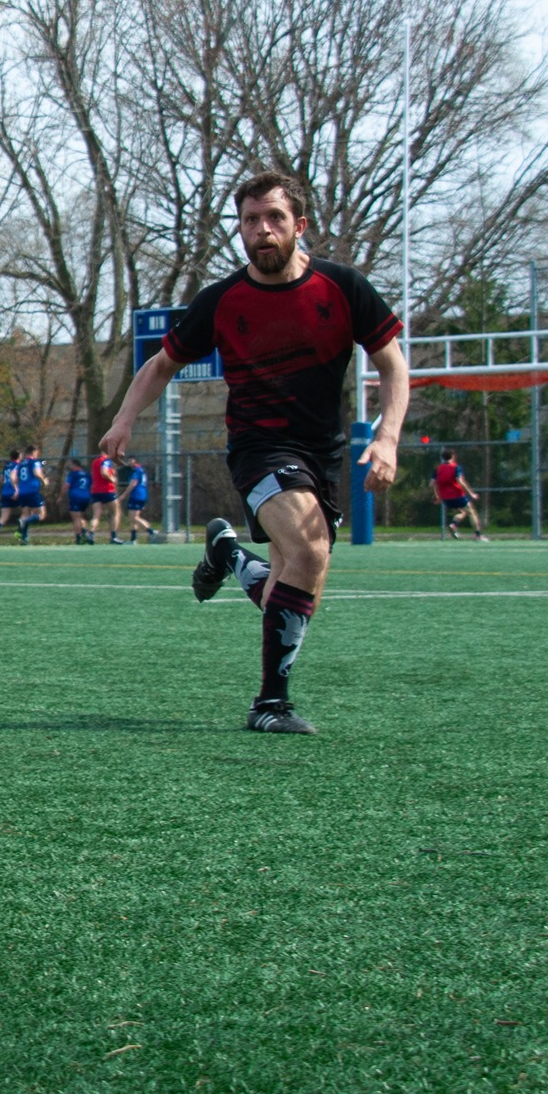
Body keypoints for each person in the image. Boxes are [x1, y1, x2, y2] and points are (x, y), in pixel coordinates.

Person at [102, 170, 407, 735]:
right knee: (309, 549)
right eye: (250, 220)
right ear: (239, 229)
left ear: (300, 226)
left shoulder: (343, 288)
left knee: (297, 574)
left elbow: (393, 364)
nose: (262, 230)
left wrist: (387, 437)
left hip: (325, 452)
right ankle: (271, 704)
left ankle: (229, 555)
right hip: (259, 448)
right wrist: (123, 419)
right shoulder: (221, 301)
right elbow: (161, 363)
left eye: (274, 218)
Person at [432, 449, 490, 539]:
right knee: (472, 512)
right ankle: (478, 535)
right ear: (452, 456)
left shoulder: (438, 469)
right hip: (458, 495)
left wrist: (438, 496)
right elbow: (460, 482)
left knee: (463, 512)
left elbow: (432, 483)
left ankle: (453, 525)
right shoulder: (456, 467)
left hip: (446, 498)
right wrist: (471, 493)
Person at [13, 448, 47, 544]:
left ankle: (24, 539)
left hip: (22, 492)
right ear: (33, 452)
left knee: (26, 514)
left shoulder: (20, 464)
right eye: (36, 452)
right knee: (42, 514)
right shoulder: (35, 462)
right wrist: (44, 479)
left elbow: (15, 478)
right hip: (32, 491)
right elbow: (37, 473)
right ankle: (24, 522)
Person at [88, 450, 120, 543]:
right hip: (107, 490)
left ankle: (91, 534)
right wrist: (112, 479)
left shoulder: (95, 461)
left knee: (96, 515)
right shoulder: (106, 461)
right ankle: (113, 537)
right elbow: (104, 472)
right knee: (115, 513)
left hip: (96, 491)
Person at [122, 455, 153, 542]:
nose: (129, 462)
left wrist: (124, 495)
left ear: (135, 461)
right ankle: (133, 539)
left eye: (130, 460)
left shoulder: (137, 471)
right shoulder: (141, 470)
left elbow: (133, 484)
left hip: (137, 495)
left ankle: (151, 531)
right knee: (132, 517)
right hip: (141, 495)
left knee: (134, 518)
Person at [62, 457, 94, 544]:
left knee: (76, 518)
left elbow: (66, 486)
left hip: (75, 497)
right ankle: (84, 534)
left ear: (75, 464)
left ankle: (78, 538)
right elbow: (91, 485)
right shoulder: (87, 474)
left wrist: (61, 496)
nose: (69, 466)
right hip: (86, 497)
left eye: (70, 464)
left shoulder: (72, 474)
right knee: (81, 516)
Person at [0, 455, 19, 545]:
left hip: (5, 492)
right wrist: (16, 489)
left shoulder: (6, 466)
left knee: (4, 517)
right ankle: (20, 533)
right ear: (19, 456)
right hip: (14, 492)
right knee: (28, 511)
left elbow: (1, 480)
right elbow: (14, 478)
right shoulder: (18, 466)